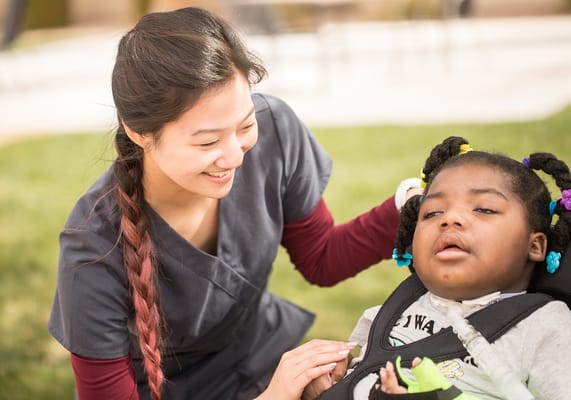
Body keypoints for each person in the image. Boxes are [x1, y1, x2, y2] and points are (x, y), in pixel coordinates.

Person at [47, 7, 420, 400]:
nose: (236, 156)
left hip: (263, 359)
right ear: (138, 132)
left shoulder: (276, 129)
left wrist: (410, 207)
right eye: (207, 142)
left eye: (244, 125)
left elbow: (322, 257)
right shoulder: (92, 248)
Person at [306, 136, 571, 399]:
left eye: (484, 209)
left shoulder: (544, 326)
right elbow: (361, 370)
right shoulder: (399, 305)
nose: (450, 219)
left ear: (535, 245)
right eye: (432, 213)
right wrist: (332, 379)